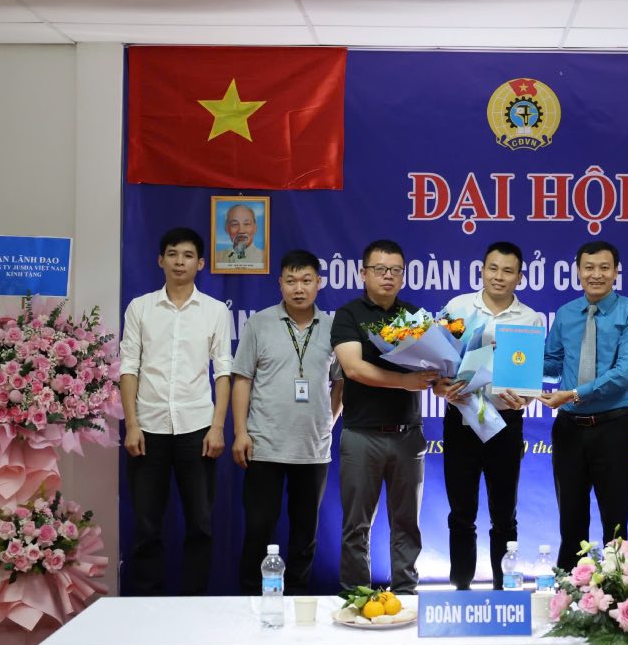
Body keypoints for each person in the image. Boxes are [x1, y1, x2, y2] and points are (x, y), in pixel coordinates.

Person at [119, 227, 232, 596]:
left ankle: (193, 602)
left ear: (200, 263)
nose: (179, 261)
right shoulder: (140, 307)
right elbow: (128, 368)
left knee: (200, 523)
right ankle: (148, 603)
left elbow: (224, 371)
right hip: (147, 428)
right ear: (160, 260)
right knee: (147, 524)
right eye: (172, 254)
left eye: (187, 255)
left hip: (197, 428)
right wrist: (131, 425)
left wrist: (217, 428)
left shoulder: (215, 311)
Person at [232, 249, 343, 595]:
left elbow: (341, 380)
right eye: (291, 280)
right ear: (279, 283)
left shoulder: (333, 327)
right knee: (259, 529)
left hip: (312, 449)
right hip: (263, 445)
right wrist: (240, 433)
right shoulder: (259, 323)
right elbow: (242, 379)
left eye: (307, 280)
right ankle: (251, 599)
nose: (299, 288)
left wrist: (329, 421)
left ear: (319, 283)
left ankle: (298, 602)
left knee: (304, 533)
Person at [331, 239, 439, 594]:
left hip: (409, 436)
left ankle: (406, 593)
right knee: (356, 525)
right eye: (380, 270)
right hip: (363, 434)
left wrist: (445, 378)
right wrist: (405, 381)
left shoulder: (414, 317)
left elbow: (434, 367)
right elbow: (353, 368)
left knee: (407, 523)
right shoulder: (348, 315)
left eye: (395, 270)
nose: (388, 277)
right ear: (364, 273)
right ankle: (356, 595)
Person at [433, 241, 543, 590]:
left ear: (519, 277)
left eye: (508, 270)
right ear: (482, 269)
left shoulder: (529, 319)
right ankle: (460, 587)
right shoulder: (458, 307)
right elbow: (439, 361)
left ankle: (504, 588)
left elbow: (529, 380)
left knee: (504, 515)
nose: (499, 276)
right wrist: (442, 384)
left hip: (504, 424)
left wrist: (524, 397)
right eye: (493, 268)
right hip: (462, 419)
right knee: (461, 513)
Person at [540, 240, 628, 571]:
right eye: (588, 267)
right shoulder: (566, 313)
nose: (596, 274)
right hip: (569, 430)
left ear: (617, 272)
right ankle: (571, 599)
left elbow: (624, 375)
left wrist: (572, 394)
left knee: (615, 524)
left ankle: (618, 601)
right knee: (570, 523)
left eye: (604, 267)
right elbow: (552, 363)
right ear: (578, 271)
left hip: (613, 428)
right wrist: (511, 359)